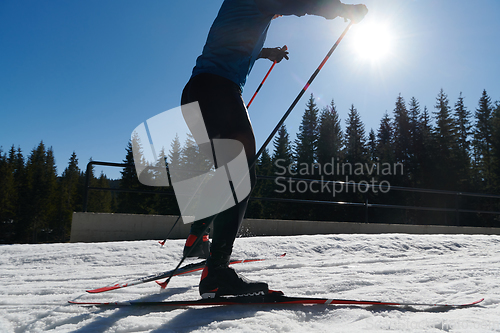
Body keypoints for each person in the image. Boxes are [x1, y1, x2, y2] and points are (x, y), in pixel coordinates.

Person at [181, 0, 368, 299]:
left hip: (196, 94)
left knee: (229, 175)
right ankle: (216, 275)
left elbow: (236, 43)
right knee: (240, 176)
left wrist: (269, 54)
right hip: (218, 90)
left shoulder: (239, 9)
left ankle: (196, 237)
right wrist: (345, 9)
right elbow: (303, 3)